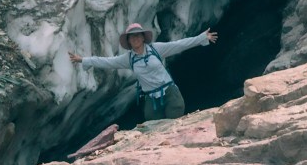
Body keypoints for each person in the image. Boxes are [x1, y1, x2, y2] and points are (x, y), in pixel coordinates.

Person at [69, 23, 218, 122]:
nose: (135, 38)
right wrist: (83, 60)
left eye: (137, 35)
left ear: (142, 37)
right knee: (154, 130)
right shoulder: (128, 59)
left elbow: (179, 45)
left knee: (175, 125)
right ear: (129, 41)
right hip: (151, 100)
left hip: (170, 93)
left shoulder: (156, 49)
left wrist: (201, 38)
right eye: (132, 36)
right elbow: (107, 62)